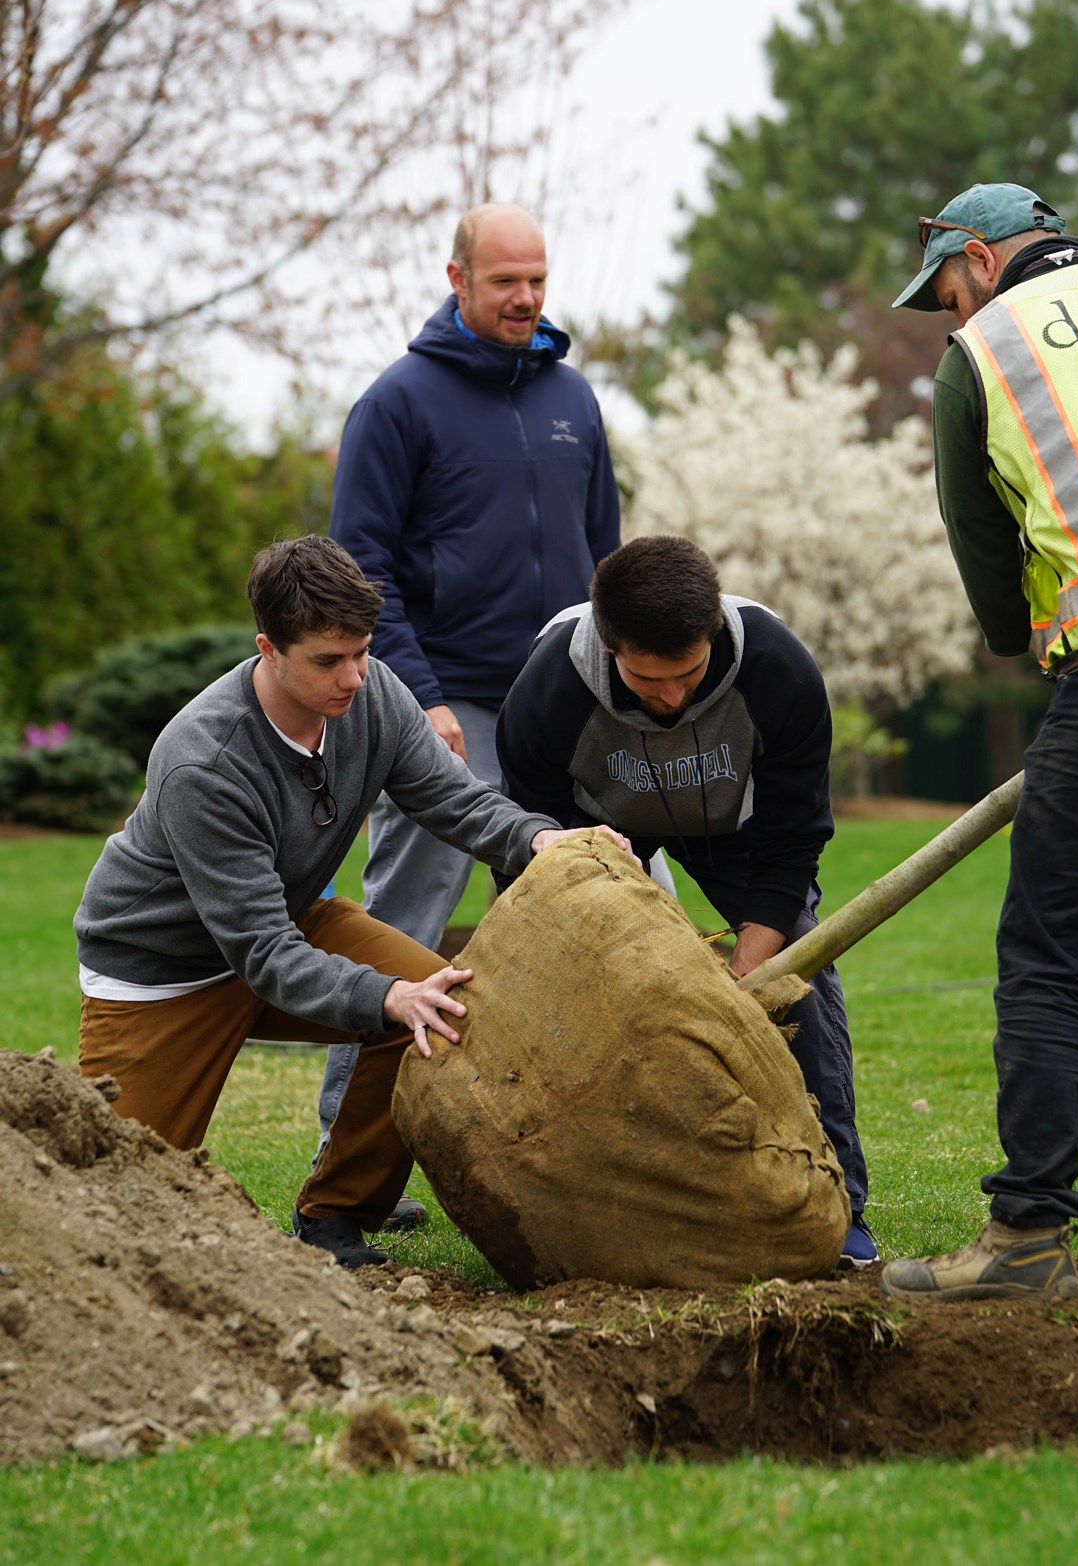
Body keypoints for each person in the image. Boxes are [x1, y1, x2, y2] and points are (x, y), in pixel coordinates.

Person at [74, 536, 629, 1270]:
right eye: (328, 661)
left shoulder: (374, 694)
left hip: (288, 920)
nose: (354, 677)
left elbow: (453, 800)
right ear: (268, 649)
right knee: (108, 1214)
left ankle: (336, 1217)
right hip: (160, 972)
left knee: (441, 1007)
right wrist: (384, 992)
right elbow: (263, 954)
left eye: (361, 652)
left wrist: (539, 842)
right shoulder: (204, 762)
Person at [883, 181, 1078, 1301]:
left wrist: (1030, 623)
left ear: (978, 255)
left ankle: (1025, 1240)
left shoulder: (985, 358)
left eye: (950, 292)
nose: (953, 317)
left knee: (1051, 971)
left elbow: (992, 585)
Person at [317, 203, 622, 1220]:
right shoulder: (398, 403)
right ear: (457, 278)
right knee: (407, 919)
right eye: (504, 283)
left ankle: (559, 1139)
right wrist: (419, 695)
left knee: (575, 916)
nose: (525, 298)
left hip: (565, 704)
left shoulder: (575, 395)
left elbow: (603, 557)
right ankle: (356, 1151)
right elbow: (358, 568)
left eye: (537, 279)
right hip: (441, 703)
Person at [494, 534, 877, 1268]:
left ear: (712, 636)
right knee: (574, 1002)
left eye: (689, 674)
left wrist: (752, 969)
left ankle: (842, 1208)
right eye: (647, 680)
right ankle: (596, 1203)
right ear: (611, 649)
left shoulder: (779, 669)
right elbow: (530, 843)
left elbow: (794, 839)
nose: (671, 697)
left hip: (738, 831)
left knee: (803, 980)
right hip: (593, 836)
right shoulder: (548, 690)